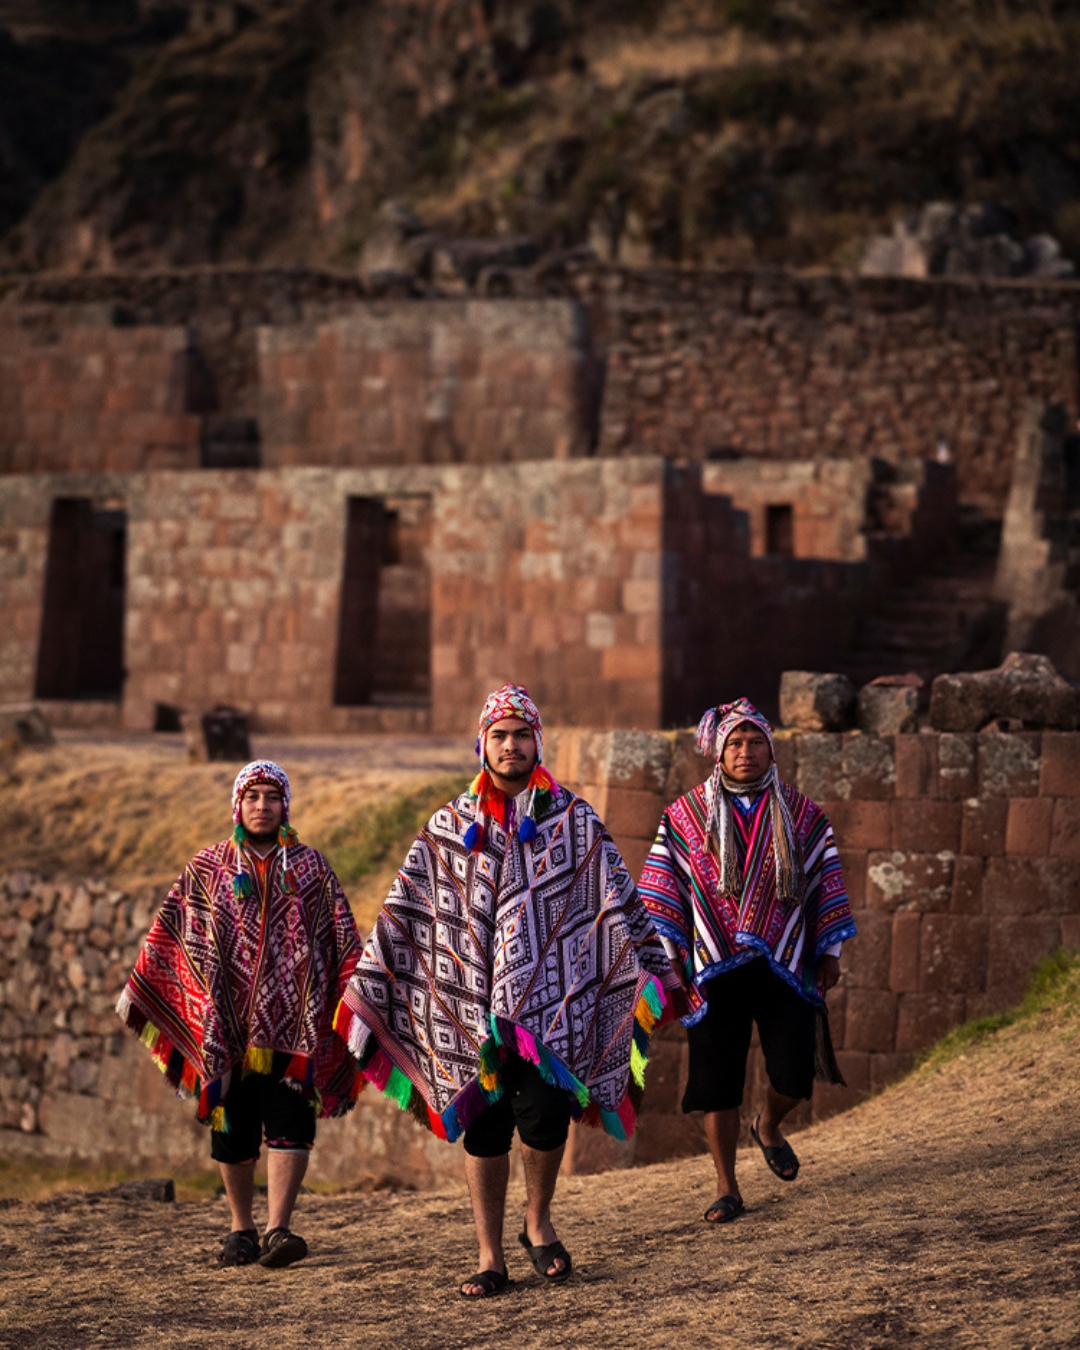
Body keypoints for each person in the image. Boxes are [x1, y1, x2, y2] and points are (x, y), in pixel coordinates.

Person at [335, 683, 682, 1297]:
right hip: (467, 1005)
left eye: (522, 735)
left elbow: (613, 905)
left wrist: (653, 966)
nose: (511, 745)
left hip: (552, 1011)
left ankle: (538, 1219)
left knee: (546, 1119)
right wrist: (377, 979)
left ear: (537, 743)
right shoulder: (448, 827)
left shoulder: (574, 822)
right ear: (482, 744)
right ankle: (489, 1254)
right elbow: (410, 912)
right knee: (486, 1127)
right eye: (500, 735)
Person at [117, 760, 362, 1267]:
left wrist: (359, 998)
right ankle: (240, 1229)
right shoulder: (207, 869)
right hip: (225, 1027)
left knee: (292, 1119)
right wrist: (167, 992)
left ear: (285, 806)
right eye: (252, 797)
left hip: (295, 1027)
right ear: (237, 805)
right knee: (233, 1123)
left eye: (272, 796)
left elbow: (341, 939)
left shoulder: (312, 870)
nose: (262, 805)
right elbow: (176, 934)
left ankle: (278, 1230)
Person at [639, 698, 856, 1225]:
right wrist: (671, 960)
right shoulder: (685, 815)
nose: (745, 752)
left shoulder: (802, 814)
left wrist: (829, 951)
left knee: (794, 1072)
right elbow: (663, 888)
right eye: (735, 743)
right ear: (718, 752)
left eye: (755, 742)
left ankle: (770, 1125)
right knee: (717, 1081)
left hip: (786, 962)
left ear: (770, 748)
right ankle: (727, 1187)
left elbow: (825, 879)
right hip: (713, 968)